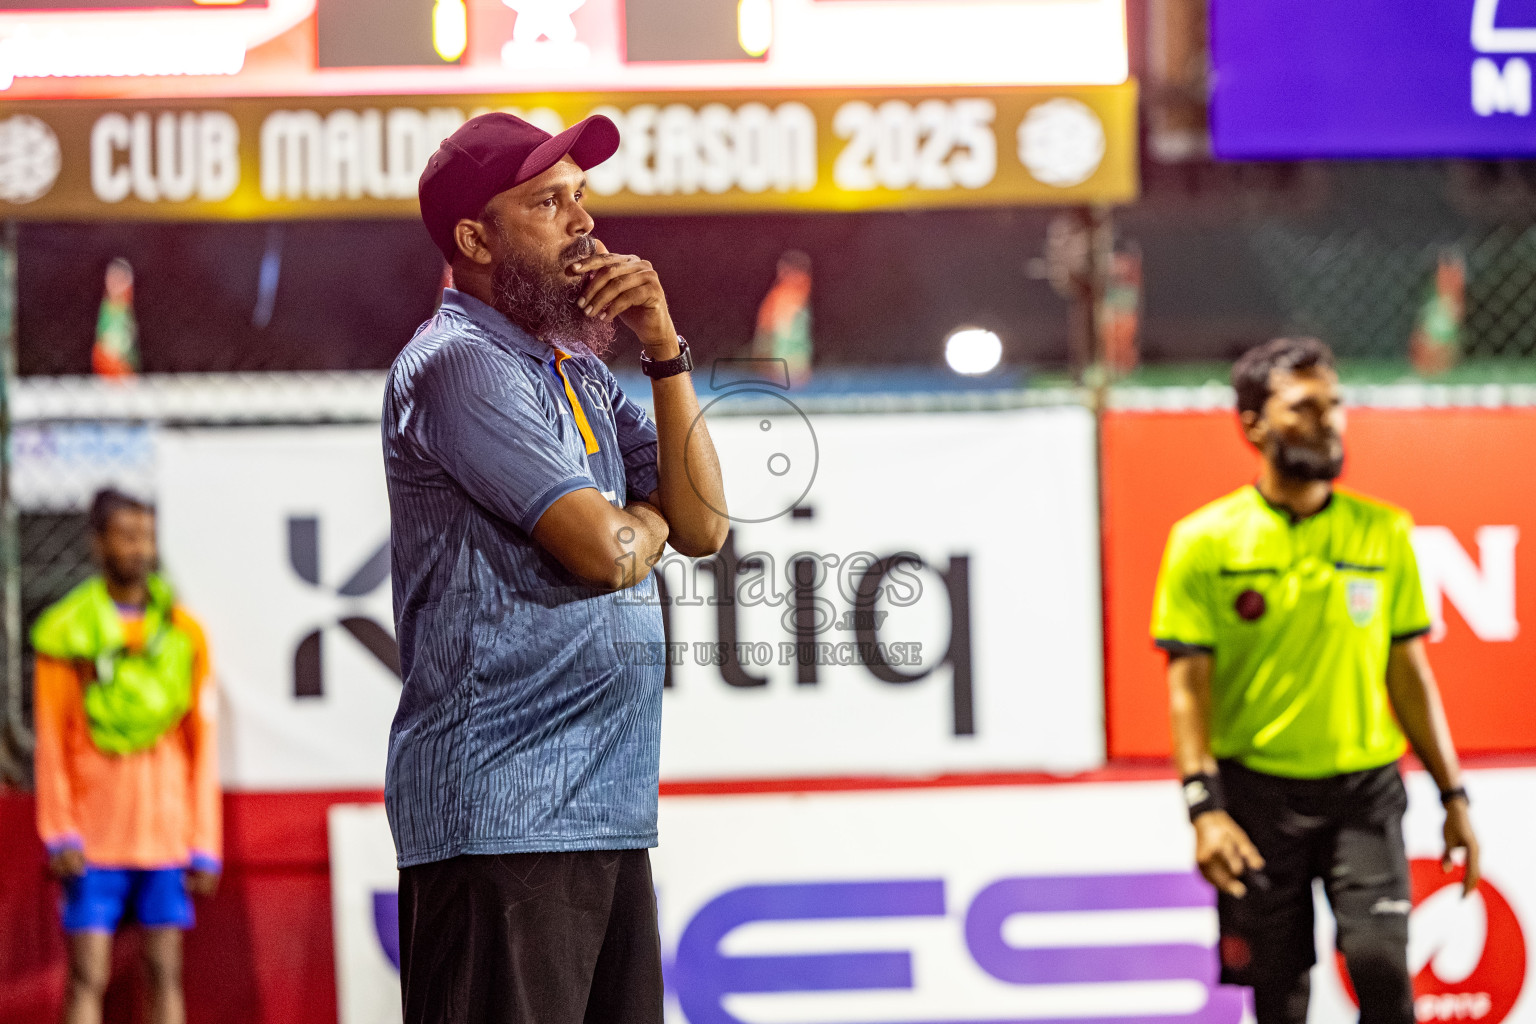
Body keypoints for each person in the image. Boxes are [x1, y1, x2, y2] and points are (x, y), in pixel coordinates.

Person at [384, 112, 729, 1024]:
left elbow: (705, 526)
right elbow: (609, 552)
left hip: (601, 811)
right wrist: (643, 522)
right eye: (549, 202)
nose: (583, 221)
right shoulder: (459, 366)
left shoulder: (573, 371)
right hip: (500, 817)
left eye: (583, 196)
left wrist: (663, 345)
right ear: (474, 239)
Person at [1151, 337, 1480, 1024]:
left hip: (1364, 792)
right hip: (1256, 799)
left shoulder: (1384, 533)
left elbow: (1409, 671)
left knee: (1383, 971)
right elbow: (1188, 688)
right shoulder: (1204, 541)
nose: (1328, 420)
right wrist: (1203, 808)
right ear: (1254, 425)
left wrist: (1454, 795)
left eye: (1334, 404)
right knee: (1279, 996)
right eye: (1303, 407)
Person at [32, 488, 219, 1024]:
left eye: (147, 536)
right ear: (99, 543)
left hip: (165, 836)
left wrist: (203, 843)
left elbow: (200, 745)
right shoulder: (68, 633)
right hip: (93, 838)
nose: (140, 548)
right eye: (127, 536)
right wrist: (59, 831)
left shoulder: (183, 635)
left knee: (164, 973)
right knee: (88, 975)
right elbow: (52, 737)